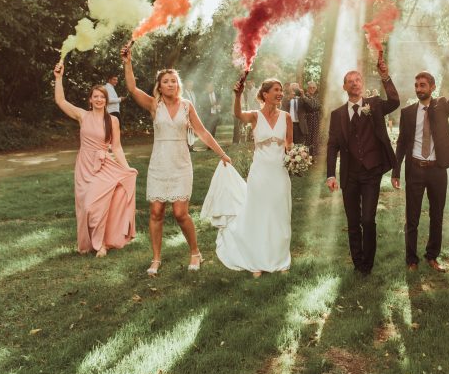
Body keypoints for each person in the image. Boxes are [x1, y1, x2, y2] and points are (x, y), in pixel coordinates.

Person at [121, 44, 232, 276]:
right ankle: (156, 259)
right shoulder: (154, 105)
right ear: (159, 87)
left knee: (181, 213)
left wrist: (221, 153)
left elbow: (202, 132)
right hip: (159, 163)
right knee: (156, 212)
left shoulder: (186, 106)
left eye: (174, 80)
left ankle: (195, 252)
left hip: (180, 163)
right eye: (166, 81)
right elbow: (131, 88)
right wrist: (127, 61)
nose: (171, 84)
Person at [393, 52, 449, 273]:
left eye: (423, 85)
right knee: (411, 218)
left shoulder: (441, 106)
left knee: (437, 216)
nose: (418, 88)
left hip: (437, 171)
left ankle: (432, 256)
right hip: (414, 169)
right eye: (416, 85)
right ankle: (411, 260)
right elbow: (402, 143)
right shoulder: (408, 112)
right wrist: (396, 172)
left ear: (432, 87)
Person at [201, 78, 293, 277]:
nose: (280, 93)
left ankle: (281, 260)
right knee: (259, 213)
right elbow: (237, 114)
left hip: (279, 172)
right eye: (276, 90)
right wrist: (237, 95)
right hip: (260, 172)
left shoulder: (286, 117)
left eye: (281, 90)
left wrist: (296, 159)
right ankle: (256, 260)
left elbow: (289, 145)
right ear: (265, 94)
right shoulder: (254, 116)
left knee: (280, 213)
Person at [325, 54, 400, 275]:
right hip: (349, 175)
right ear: (344, 87)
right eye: (350, 81)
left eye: (358, 80)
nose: (355, 84)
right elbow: (332, 146)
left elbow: (395, 102)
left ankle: (368, 262)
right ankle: (358, 263)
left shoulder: (374, 104)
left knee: (368, 219)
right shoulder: (337, 115)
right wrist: (331, 174)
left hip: (371, 172)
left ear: (363, 84)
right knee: (353, 221)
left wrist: (385, 76)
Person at [53, 62, 137, 257]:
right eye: (96, 97)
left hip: (103, 165)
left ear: (106, 101)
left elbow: (116, 147)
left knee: (93, 205)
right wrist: (58, 78)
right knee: (84, 207)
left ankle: (102, 245)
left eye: (102, 97)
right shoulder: (83, 116)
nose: (99, 100)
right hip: (84, 165)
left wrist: (127, 168)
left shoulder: (113, 120)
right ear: (90, 100)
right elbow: (60, 101)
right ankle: (89, 244)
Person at [302, 82, 322, 156]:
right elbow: (312, 106)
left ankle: (312, 154)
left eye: (314, 88)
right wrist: (315, 107)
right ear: (307, 88)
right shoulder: (305, 96)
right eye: (310, 87)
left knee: (314, 137)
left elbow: (319, 106)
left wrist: (315, 107)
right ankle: (305, 155)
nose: (312, 89)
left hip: (315, 119)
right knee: (307, 137)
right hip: (307, 119)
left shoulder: (315, 97)